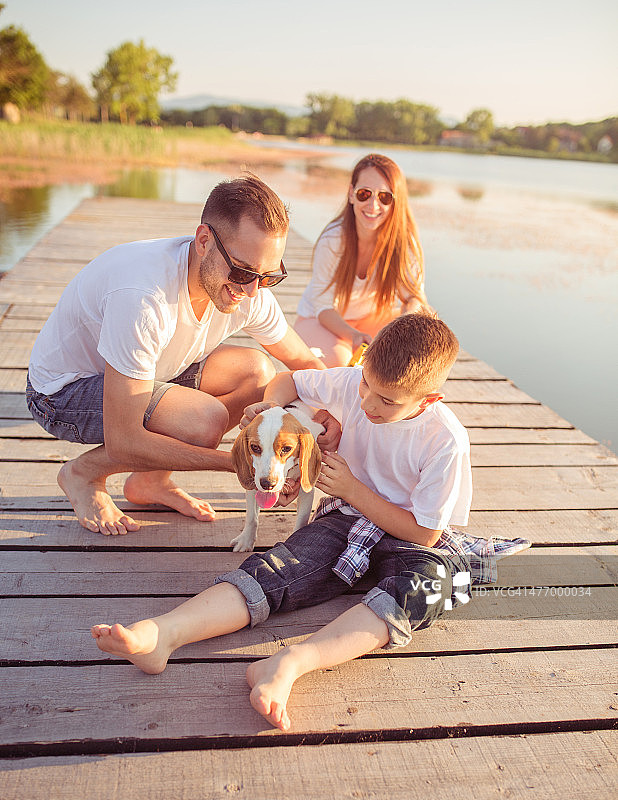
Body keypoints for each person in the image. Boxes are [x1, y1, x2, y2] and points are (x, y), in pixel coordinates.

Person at [91, 313, 529, 731]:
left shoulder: (445, 439)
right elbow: (288, 380)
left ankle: (291, 663)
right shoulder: (352, 384)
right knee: (281, 564)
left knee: (426, 588)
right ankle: (164, 634)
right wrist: (272, 405)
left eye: (387, 400)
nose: (368, 404)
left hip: (412, 536)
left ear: (428, 400)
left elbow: (425, 533)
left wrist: (354, 489)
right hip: (347, 519)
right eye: (365, 386)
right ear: (364, 365)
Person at [26, 175, 337, 537]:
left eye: (268, 277)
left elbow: (306, 364)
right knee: (202, 422)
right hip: (61, 393)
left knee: (256, 371)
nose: (252, 291)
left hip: (148, 372)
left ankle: (150, 483)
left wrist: (335, 417)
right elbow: (123, 438)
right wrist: (246, 464)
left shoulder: (246, 291)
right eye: (242, 271)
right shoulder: (143, 297)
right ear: (204, 241)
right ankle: (82, 474)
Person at [294, 153, 428, 366]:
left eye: (385, 197)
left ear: (396, 202)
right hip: (322, 320)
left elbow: (415, 298)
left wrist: (403, 326)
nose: (373, 205)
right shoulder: (332, 240)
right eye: (365, 194)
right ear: (351, 194)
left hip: (371, 321)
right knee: (340, 362)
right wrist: (353, 335)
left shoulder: (405, 244)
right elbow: (323, 307)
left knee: (416, 355)